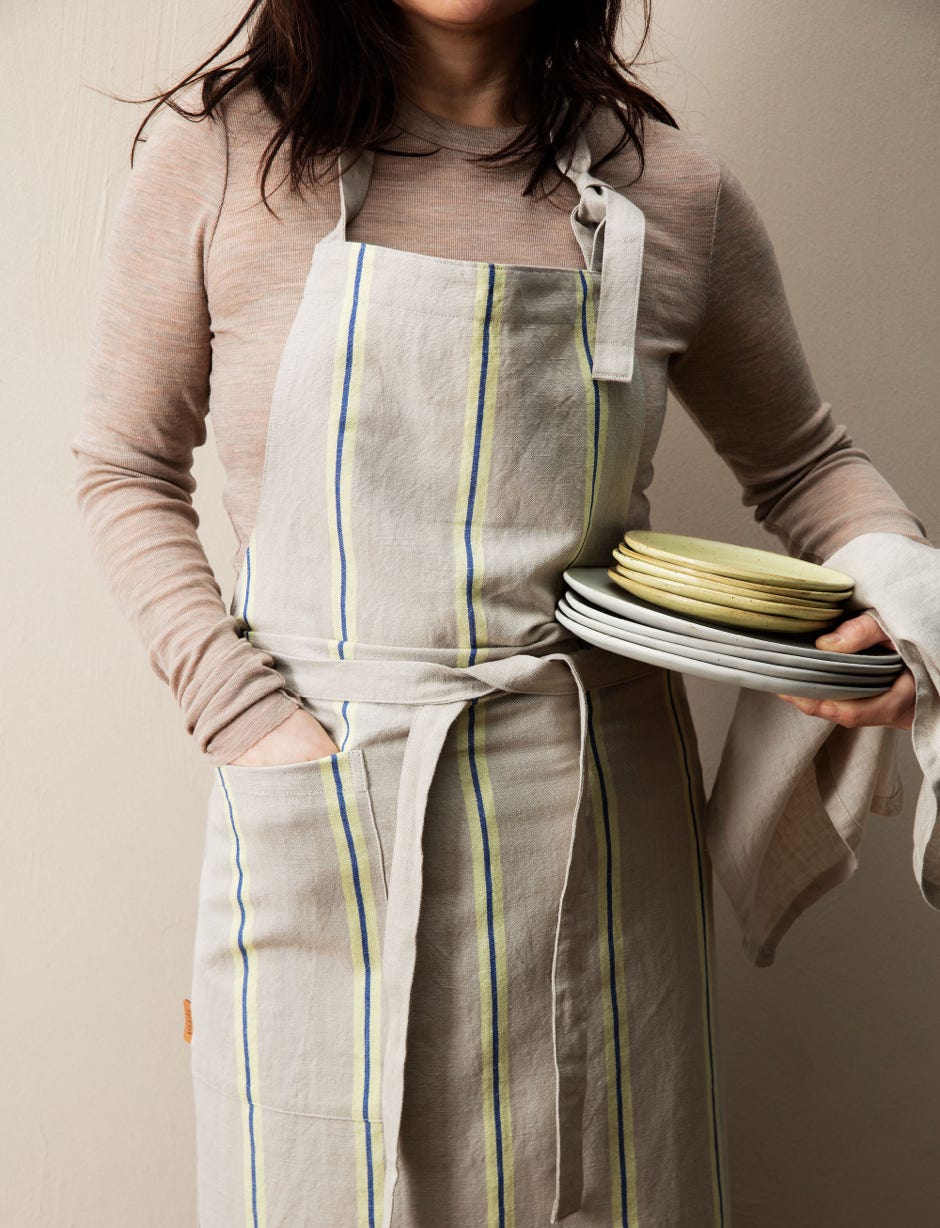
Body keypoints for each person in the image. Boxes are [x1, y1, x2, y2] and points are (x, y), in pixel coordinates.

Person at [70, 1, 929, 1224]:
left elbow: (804, 464)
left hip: (598, 825)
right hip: (325, 805)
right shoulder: (223, 157)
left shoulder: (671, 191)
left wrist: (899, 602)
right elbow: (123, 466)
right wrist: (245, 717)